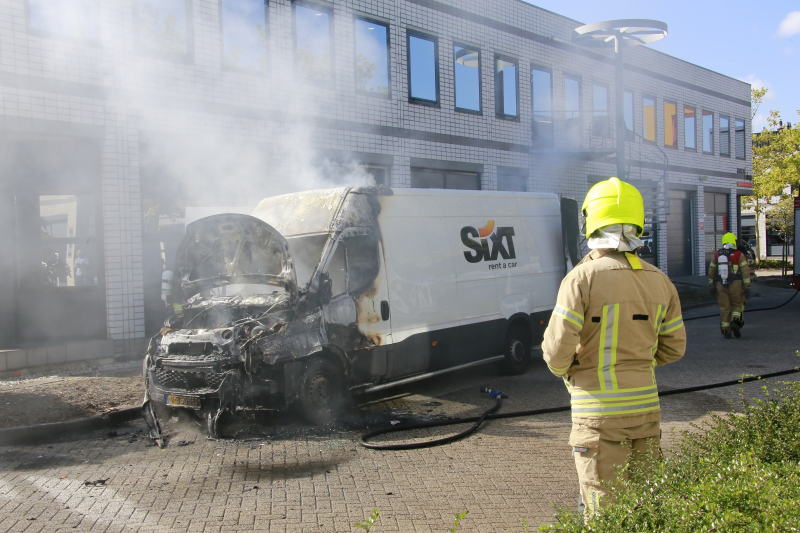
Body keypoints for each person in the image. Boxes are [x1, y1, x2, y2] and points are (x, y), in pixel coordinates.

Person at [542, 177, 686, 518]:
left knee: (604, 509)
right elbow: (674, 347)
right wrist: (639, 363)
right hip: (646, 412)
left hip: (598, 415)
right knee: (645, 506)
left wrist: (570, 371)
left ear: (590, 222)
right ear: (638, 222)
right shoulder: (660, 280)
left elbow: (556, 349)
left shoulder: (582, 278)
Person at [708, 233, 751, 338]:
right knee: (738, 304)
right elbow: (745, 272)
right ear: (734, 241)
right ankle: (735, 323)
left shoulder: (717, 255)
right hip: (736, 284)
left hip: (721, 285)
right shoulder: (739, 254)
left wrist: (712, 286)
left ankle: (726, 332)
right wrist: (747, 287)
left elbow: (711, 271)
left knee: (724, 308)